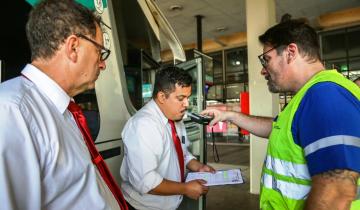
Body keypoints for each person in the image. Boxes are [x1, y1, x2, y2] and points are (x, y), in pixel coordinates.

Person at [202, 15, 360, 210]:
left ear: (290, 52)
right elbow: (278, 129)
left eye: (266, 59)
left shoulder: (325, 94)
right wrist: (230, 115)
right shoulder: (308, 95)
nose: (263, 70)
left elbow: (336, 192)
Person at [0, 0, 127, 209]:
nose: (102, 63)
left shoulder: (62, 108)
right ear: (73, 47)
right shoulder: (11, 112)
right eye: (100, 52)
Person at [120, 66, 215, 210]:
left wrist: (199, 167)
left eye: (188, 98)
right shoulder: (143, 125)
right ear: (162, 97)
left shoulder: (175, 118)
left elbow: (182, 153)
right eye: (181, 98)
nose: (187, 104)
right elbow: (146, 182)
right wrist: (186, 188)